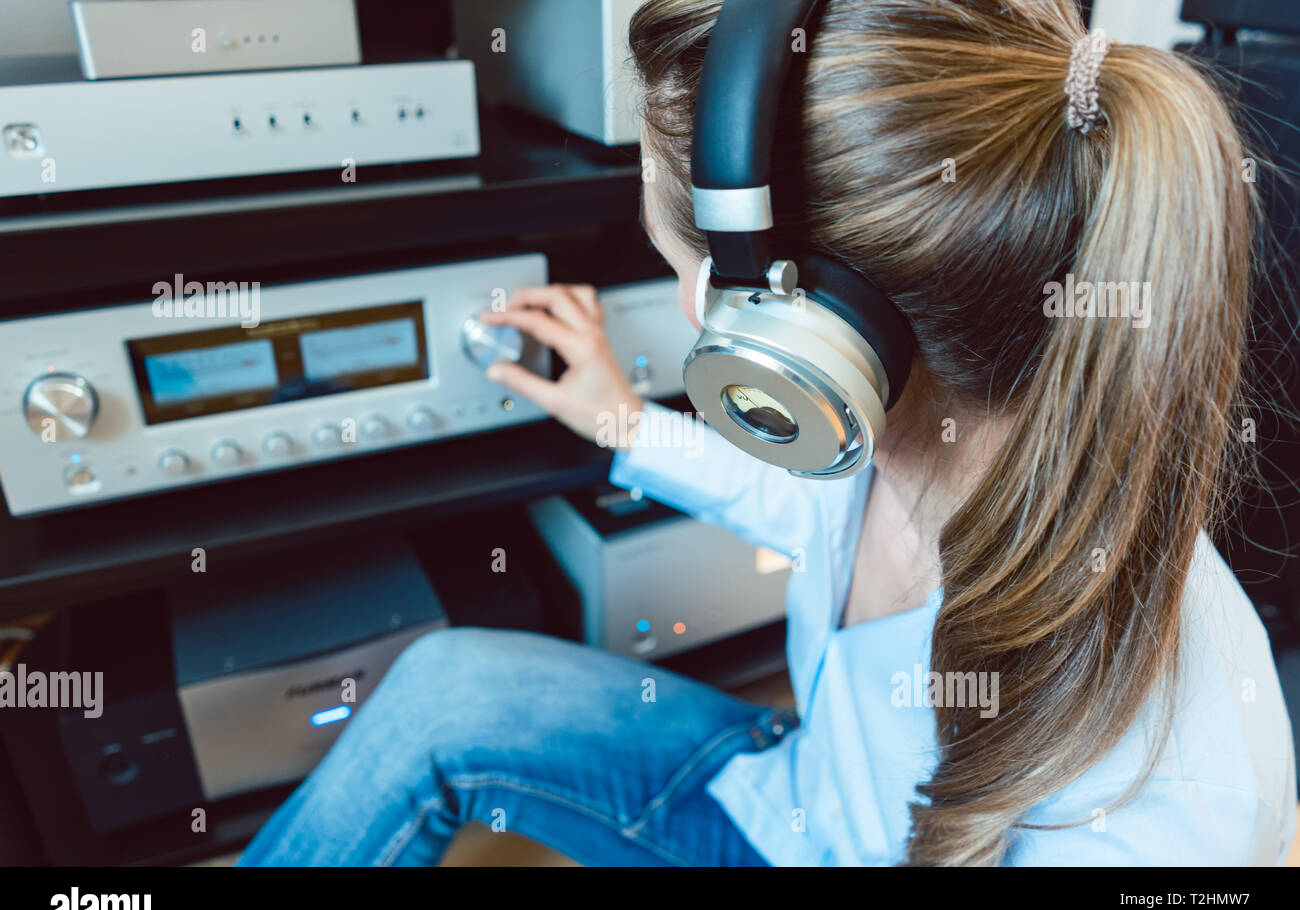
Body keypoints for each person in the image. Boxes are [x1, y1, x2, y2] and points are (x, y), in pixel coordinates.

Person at [239, 0, 1296, 866]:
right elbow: (795, 503)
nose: (693, 315)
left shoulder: (1175, 799)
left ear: (798, 337)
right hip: (792, 797)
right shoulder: (912, 432)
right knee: (440, 684)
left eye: (680, 274)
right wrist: (621, 422)